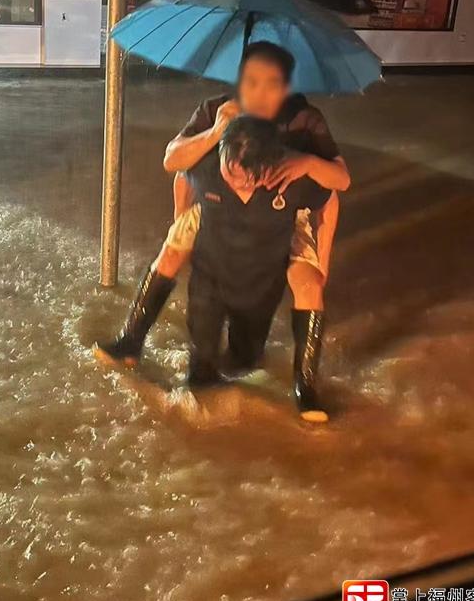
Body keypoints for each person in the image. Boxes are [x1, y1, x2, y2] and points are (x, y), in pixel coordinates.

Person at [95, 41, 350, 419]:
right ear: (239, 80)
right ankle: (131, 341)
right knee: (173, 248)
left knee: (306, 282)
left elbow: (338, 184)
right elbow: (176, 163)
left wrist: (308, 162)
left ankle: (305, 386)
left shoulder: (304, 119)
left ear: (286, 86)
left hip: (285, 205)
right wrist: (215, 134)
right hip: (216, 198)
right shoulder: (218, 108)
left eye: (272, 83)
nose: (260, 93)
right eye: (252, 82)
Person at [182, 117, 331, 419]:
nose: (235, 183)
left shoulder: (292, 182)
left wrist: (323, 260)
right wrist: (179, 218)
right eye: (230, 172)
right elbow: (178, 174)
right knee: (200, 374)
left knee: (246, 360)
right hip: (212, 272)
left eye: (246, 179)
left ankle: (305, 388)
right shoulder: (206, 168)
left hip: (261, 275)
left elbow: (331, 197)